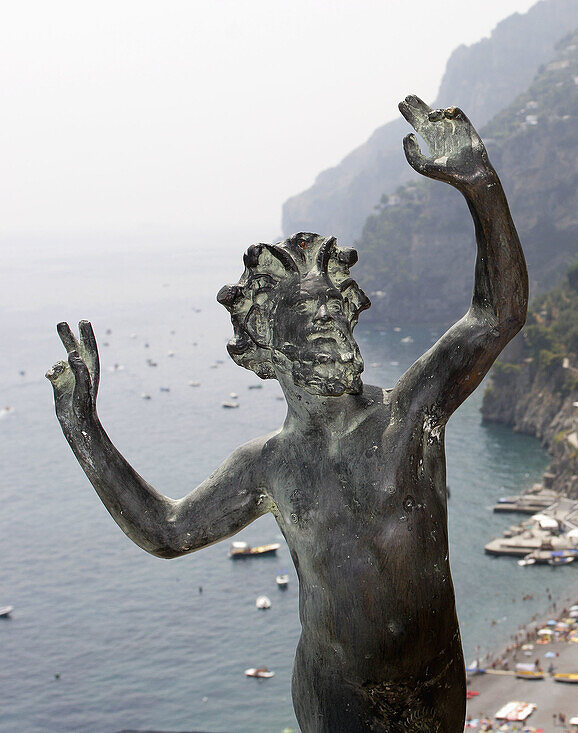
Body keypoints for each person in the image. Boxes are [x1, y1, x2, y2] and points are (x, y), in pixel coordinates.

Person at [46, 96, 527, 732]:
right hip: (337, 695)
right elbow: (165, 531)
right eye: (309, 320)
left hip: (431, 683)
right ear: (269, 350)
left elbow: (498, 315)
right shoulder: (270, 467)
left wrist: (477, 182)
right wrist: (83, 428)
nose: (332, 326)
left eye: (337, 311)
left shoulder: (410, 414)